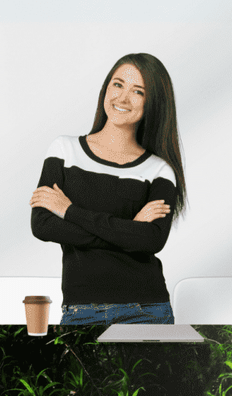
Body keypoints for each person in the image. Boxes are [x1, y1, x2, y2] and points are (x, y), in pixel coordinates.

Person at [29, 53, 187, 327]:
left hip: (146, 310)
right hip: (81, 311)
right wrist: (128, 231)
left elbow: (151, 241)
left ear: (153, 103)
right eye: (118, 84)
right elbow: (43, 225)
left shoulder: (160, 170)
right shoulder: (65, 150)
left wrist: (69, 211)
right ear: (106, 88)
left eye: (138, 91)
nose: (123, 98)